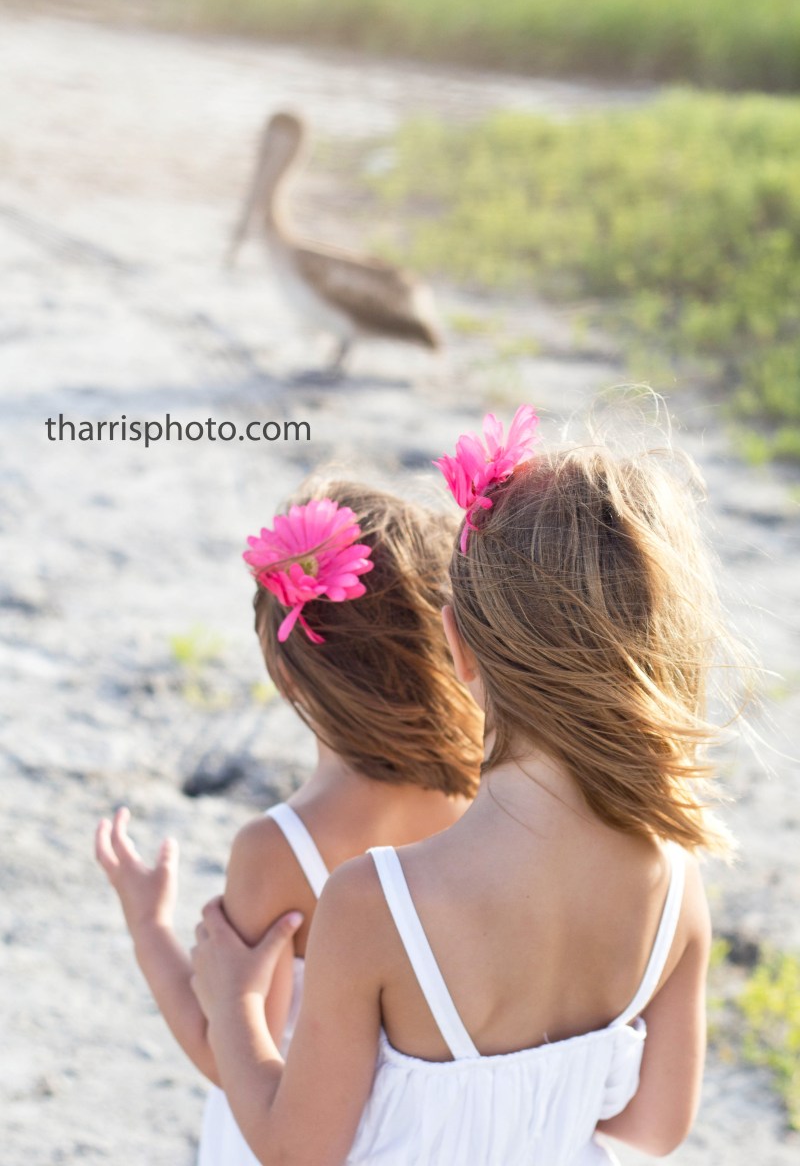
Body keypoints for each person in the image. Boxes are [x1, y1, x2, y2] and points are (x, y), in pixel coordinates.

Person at [190, 401, 749, 1166]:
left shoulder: (377, 901)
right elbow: (653, 1130)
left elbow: (298, 1152)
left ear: (458, 644)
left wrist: (234, 1008)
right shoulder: (677, 883)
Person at [94, 479, 483, 1166]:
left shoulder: (280, 850)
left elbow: (231, 1050)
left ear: (291, 674)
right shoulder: (485, 805)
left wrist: (149, 927)